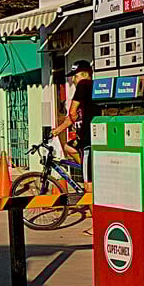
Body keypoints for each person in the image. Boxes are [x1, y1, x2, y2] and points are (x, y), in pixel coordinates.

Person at [51, 60, 99, 193]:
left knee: (88, 187)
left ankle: (93, 214)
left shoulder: (83, 85)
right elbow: (74, 117)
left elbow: (72, 113)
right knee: (68, 147)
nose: (73, 80)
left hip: (88, 140)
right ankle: (85, 166)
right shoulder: (95, 87)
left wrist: (70, 119)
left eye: (75, 76)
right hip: (94, 138)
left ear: (84, 75)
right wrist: (57, 131)